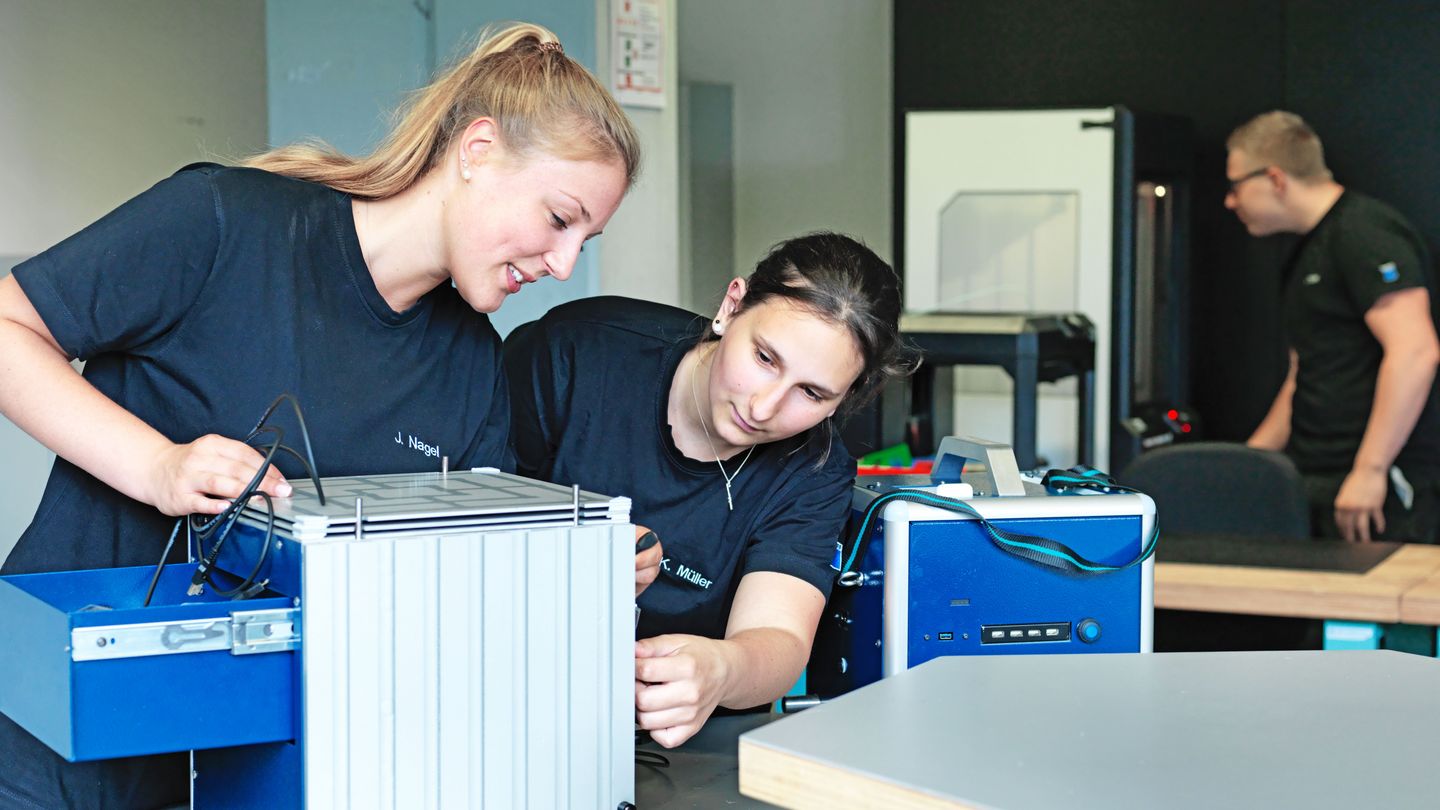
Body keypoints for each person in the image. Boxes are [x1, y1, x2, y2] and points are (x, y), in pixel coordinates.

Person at [0, 23, 637, 809]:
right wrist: (157, 467)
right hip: (57, 741)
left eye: (585, 241)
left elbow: (453, 592)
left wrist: (579, 571)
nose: (564, 265)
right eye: (560, 219)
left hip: (263, 768)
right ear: (477, 150)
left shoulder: (472, 364)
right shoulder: (224, 222)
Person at [504, 232, 918, 747]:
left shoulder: (815, 468)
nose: (763, 408)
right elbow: (447, 530)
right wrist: (568, 558)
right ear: (731, 307)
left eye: (811, 393)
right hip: (505, 705)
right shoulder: (575, 353)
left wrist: (721, 669)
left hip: (681, 746)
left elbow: (779, 638)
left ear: (846, 398)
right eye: (764, 358)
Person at [1228, 111, 1440, 543]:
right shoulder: (1307, 250)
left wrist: (1370, 470)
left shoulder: (1364, 233)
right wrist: (1248, 464)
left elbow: (1415, 352)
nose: (1230, 201)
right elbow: (1304, 371)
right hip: (1316, 476)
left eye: (1236, 186)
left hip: (1376, 487)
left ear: (1275, 178)